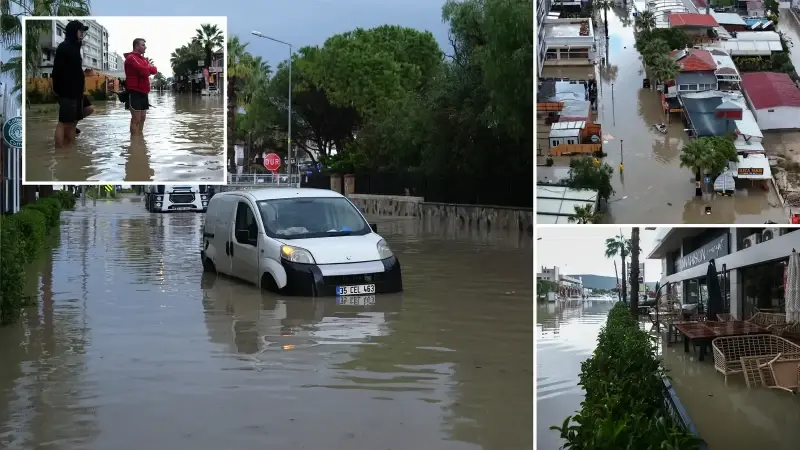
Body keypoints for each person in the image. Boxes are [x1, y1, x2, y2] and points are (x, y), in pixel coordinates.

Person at [51, 20, 94, 148]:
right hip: (68, 90)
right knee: (64, 123)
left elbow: (73, 69)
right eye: (80, 31)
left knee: (73, 121)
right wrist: (59, 90)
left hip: (76, 91)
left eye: (83, 32)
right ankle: (60, 152)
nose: (82, 34)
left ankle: (70, 150)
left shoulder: (75, 47)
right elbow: (57, 71)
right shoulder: (65, 47)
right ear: (73, 32)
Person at [124, 38, 157, 135]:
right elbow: (143, 70)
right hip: (135, 91)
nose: (145, 47)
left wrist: (149, 68)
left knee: (142, 118)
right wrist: (149, 68)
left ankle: (139, 140)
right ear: (137, 46)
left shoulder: (143, 59)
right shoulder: (131, 57)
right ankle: (134, 142)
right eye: (143, 45)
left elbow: (154, 70)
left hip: (144, 92)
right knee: (136, 119)